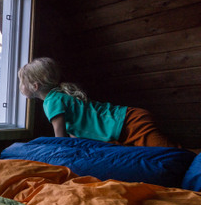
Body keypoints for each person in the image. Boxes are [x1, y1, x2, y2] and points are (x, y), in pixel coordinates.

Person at [18, 57, 181, 148]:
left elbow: (60, 139)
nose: (20, 87)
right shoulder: (61, 95)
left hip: (130, 123)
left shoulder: (52, 101)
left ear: (35, 86)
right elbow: (75, 133)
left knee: (174, 153)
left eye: (22, 82)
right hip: (126, 122)